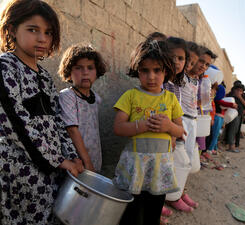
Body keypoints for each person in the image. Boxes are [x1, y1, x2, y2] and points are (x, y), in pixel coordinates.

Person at [0, 0, 84, 224]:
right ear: (11, 30)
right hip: (21, 171)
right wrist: (58, 160)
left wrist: (71, 156)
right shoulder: (6, 67)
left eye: (48, 32)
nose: (42, 38)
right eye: (32, 30)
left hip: (51, 171)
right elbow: (16, 122)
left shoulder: (45, 77)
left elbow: (57, 121)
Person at [113, 40, 184, 225]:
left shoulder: (170, 99)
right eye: (145, 70)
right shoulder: (130, 96)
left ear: (166, 71)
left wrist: (169, 127)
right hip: (135, 167)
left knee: (153, 211)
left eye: (157, 70)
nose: (151, 76)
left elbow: (180, 130)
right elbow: (118, 127)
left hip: (160, 168)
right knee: (131, 213)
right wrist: (142, 126)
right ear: (137, 70)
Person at [58, 44, 107, 173]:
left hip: (94, 158)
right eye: (78, 68)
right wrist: (87, 162)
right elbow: (72, 130)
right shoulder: (68, 96)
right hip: (77, 161)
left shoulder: (96, 98)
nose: (85, 72)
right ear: (69, 72)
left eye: (90, 68)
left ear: (97, 72)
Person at [163, 37, 198, 215]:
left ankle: (175, 195)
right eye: (172, 57)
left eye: (181, 58)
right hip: (162, 133)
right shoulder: (160, 81)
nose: (176, 62)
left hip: (176, 130)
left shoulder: (178, 83)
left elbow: (177, 111)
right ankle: (163, 199)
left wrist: (176, 133)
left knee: (178, 163)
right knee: (161, 167)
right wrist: (171, 134)